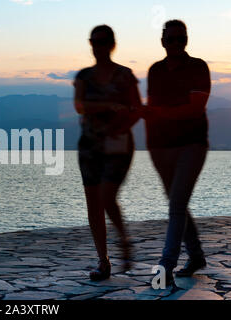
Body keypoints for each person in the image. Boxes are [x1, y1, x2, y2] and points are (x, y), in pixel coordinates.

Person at [143, 19, 211, 286]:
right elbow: (151, 109)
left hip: (191, 144)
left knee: (176, 205)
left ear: (187, 40)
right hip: (160, 147)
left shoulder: (198, 67)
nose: (176, 44)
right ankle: (196, 256)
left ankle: (165, 265)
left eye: (181, 39)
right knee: (177, 203)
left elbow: (195, 108)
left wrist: (159, 113)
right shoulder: (155, 71)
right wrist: (151, 144)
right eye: (171, 39)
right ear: (163, 41)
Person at [73, 25, 142, 281]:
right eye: (94, 41)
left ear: (112, 44)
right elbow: (79, 106)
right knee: (93, 204)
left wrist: (119, 126)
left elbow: (137, 109)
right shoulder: (84, 76)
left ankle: (123, 239)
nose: (97, 46)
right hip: (90, 145)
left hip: (118, 143)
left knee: (106, 195)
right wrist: (107, 105)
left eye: (103, 41)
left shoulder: (125, 75)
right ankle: (103, 261)